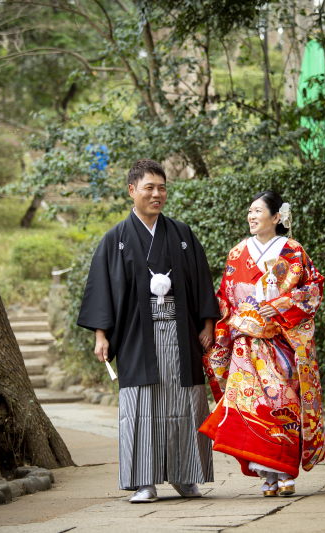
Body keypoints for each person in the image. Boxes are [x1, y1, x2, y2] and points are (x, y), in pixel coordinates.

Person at [77, 159, 220, 503]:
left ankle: (186, 477)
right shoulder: (115, 239)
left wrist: (208, 323)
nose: (157, 195)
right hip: (136, 337)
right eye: (149, 188)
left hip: (181, 334)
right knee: (140, 407)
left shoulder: (182, 234)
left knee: (185, 402)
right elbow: (102, 291)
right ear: (132, 191)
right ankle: (145, 482)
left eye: (162, 188)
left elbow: (201, 280)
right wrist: (101, 335)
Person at [199, 190, 325, 497]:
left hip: (282, 341)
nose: (252, 216)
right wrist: (218, 331)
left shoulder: (293, 251)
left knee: (282, 403)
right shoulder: (236, 254)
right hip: (246, 344)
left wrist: (284, 302)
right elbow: (225, 298)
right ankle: (268, 476)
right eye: (250, 211)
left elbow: (313, 288)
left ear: (276, 217)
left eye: (258, 211)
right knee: (250, 406)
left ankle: (284, 470)